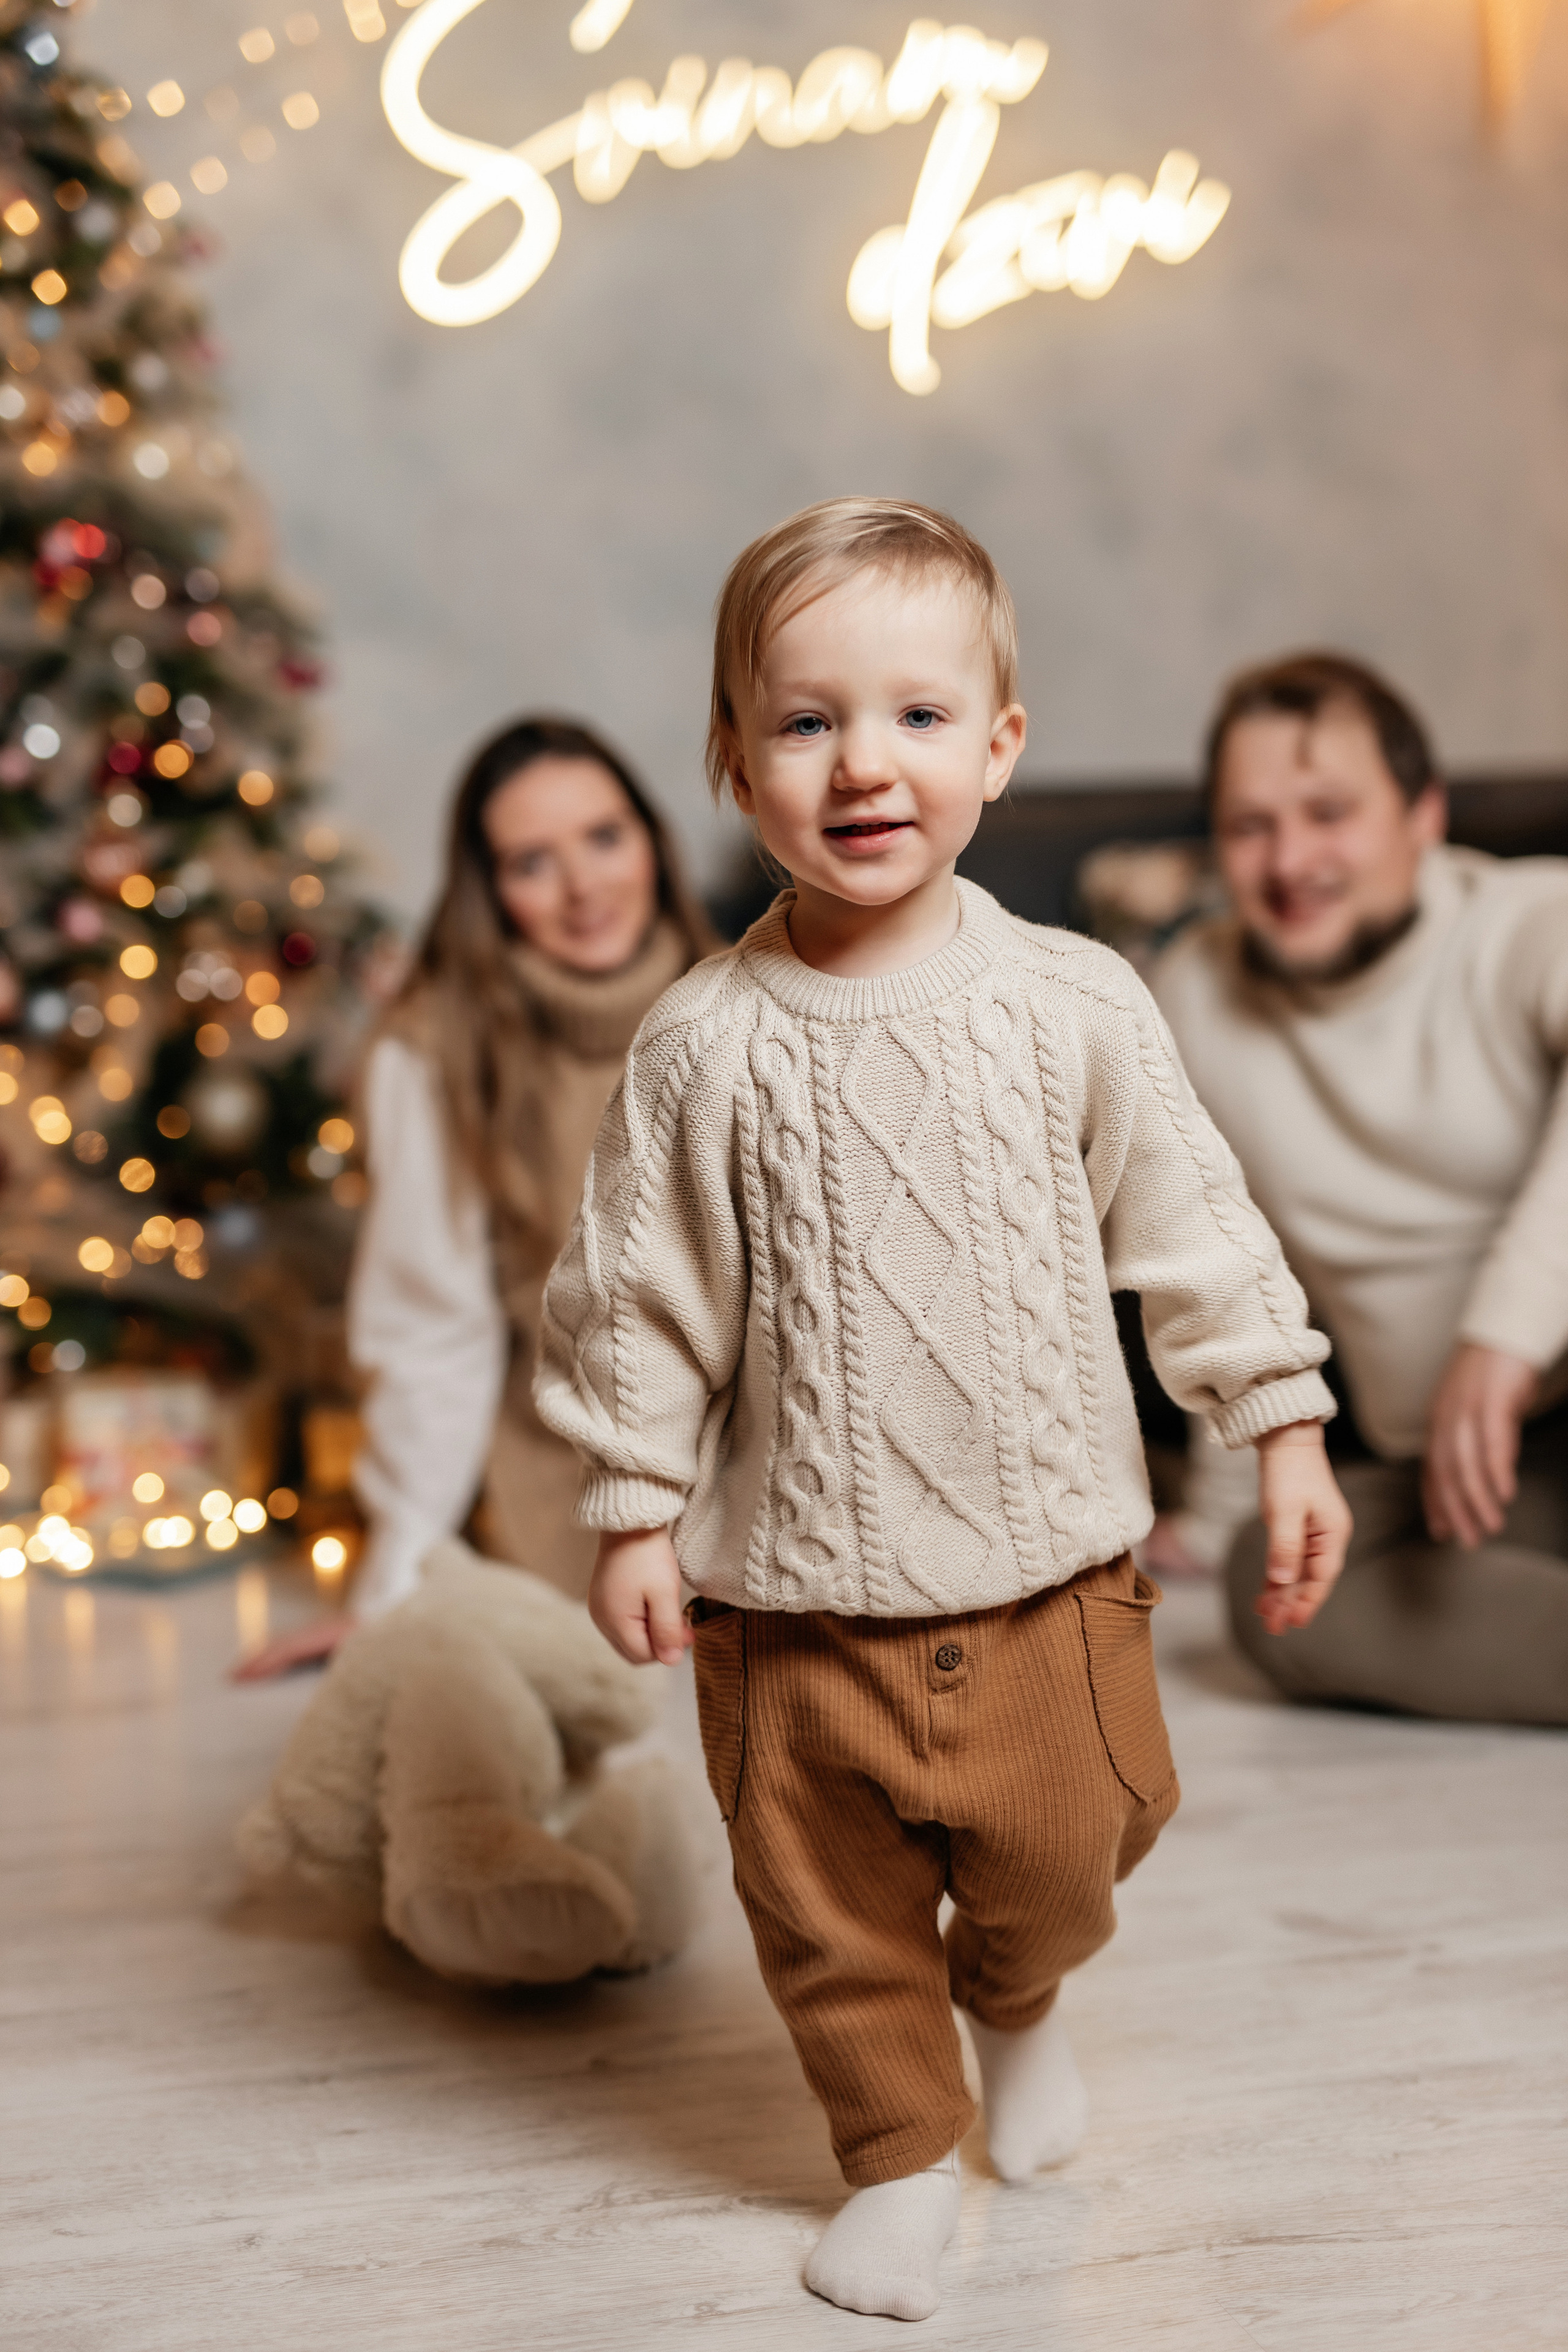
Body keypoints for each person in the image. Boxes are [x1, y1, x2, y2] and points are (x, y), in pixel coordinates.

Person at [534, 499, 1351, 2321]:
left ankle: (1020, 1999)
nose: (863, 764)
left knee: (1079, 1849)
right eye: (808, 721)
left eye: (916, 716)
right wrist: (631, 1508)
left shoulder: (1073, 1002)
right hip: (794, 1599)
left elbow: (1195, 1233)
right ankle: (899, 2157)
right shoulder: (703, 1045)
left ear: (999, 745)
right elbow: (639, 1299)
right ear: (735, 763)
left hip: (1050, 1570)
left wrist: (1281, 1427)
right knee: (828, 1920)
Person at [235, 715, 715, 1678]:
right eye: (532, 863)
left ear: (653, 841)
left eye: (604, 838)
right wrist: (393, 1586)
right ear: (487, 892)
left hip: (783, 1506)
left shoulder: (747, 993)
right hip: (577, 1524)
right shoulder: (436, 1052)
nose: (584, 888)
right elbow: (431, 1331)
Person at [1151, 652, 1568, 1723]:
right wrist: (1215, 1512)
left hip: (1548, 1390)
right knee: (1277, 1586)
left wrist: (1507, 1336)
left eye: (1329, 812)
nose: (1291, 860)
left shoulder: (1529, 923)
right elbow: (1213, 1256)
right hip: (1468, 1482)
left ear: (1423, 814)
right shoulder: (1194, 994)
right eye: (1250, 827)